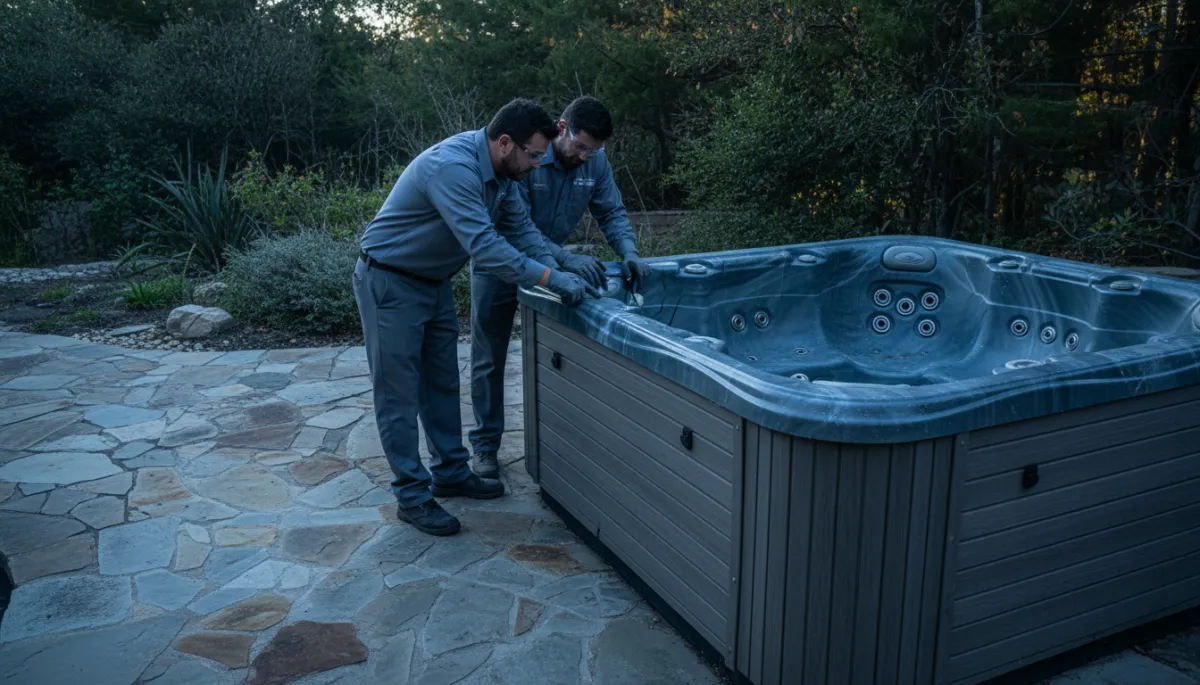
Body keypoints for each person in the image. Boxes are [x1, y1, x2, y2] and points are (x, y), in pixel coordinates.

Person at [354, 98, 601, 537]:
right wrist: (550, 278)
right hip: (390, 283)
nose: (539, 163)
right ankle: (412, 497)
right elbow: (485, 247)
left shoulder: (503, 174)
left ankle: (450, 471)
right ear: (505, 143)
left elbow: (522, 231)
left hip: (432, 282)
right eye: (534, 154)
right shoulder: (452, 169)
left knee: (442, 382)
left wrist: (560, 265)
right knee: (398, 397)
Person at [468, 95, 651, 478]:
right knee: (489, 359)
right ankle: (485, 447)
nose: (586, 156)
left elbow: (612, 211)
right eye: (581, 147)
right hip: (503, 264)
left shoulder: (595, 162)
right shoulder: (528, 155)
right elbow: (515, 228)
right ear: (562, 128)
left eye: (594, 150)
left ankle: (562, 444)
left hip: (553, 268)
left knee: (561, 353)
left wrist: (629, 252)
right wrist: (566, 259)